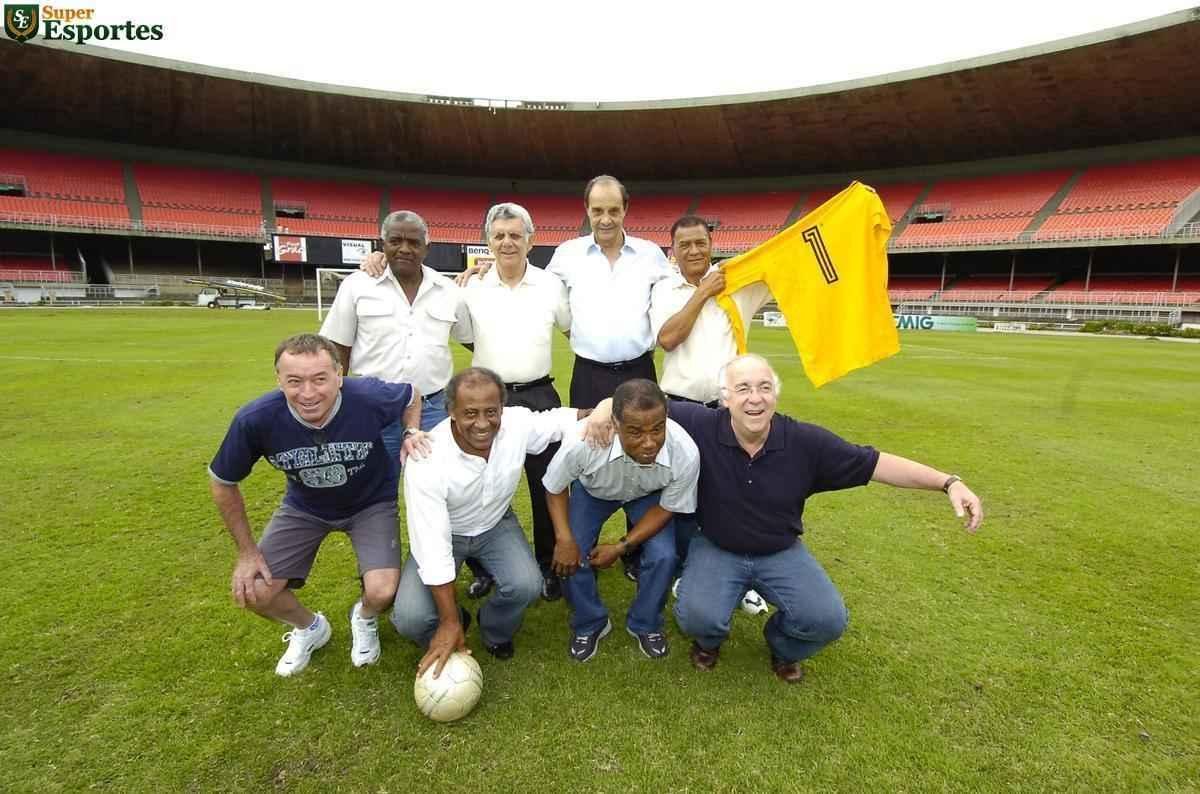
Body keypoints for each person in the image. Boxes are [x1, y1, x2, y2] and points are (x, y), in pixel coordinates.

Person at [670, 354, 984, 683]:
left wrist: (948, 482)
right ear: (725, 397)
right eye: (743, 388)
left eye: (765, 387)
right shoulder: (701, 425)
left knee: (826, 620)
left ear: (775, 395)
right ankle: (709, 642)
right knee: (696, 616)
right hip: (717, 545)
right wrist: (607, 412)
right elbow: (638, 401)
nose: (755, 398)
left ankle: (783, 647)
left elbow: (877, 464)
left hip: (780, 549)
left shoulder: (805, 442)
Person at [208, 333, 421, 676]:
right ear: (278, 380)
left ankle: (364, 617)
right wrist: (247, 553)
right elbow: (223, 482)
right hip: (304, 507)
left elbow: (412, 394)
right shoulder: (256, 419)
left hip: (371, 503)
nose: (308, 393)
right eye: (294, 381)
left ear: (339, 375)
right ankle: (310, 628)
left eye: (320, 379)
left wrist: (411, 431)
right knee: (256, 592)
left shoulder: (367, 396)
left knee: (382, 591)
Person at [392, 367, 613, 677]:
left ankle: (494, 630)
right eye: (470, 413)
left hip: (495, 524)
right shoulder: (427, 459)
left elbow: (564, 420)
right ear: (451, 412)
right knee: (410, 618)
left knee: (527, 585)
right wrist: (449, 619)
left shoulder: (516, 423)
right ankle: (453, 625)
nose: (483, 424)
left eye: (491, 412)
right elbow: (432, 547)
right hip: (446, 533)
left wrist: (605, 408)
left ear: (502, 409)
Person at [651, 215, 773, 610]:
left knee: (734, 493)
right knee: (683, 494)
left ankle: (743, 575)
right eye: (684, 244)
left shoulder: (738, 283)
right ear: (673, 250)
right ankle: (689, 571)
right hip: (680, 410)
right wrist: (702, 292)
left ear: (711, 245)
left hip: (728, 411)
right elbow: (668, 339)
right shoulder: (666, 289)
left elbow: (786, 271)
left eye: (700, 243)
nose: (693, 251)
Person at [543, 379, 700, 662]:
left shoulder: (685, 452)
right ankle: (590, 622)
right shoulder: (583, 442)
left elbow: (667, 508)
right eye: (635, 432)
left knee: (664, 555)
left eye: (657, 428)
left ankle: (646, 622)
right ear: (614, 424)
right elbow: (554, 488)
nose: (649, 442)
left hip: (648, 496)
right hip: (594, 491)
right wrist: (564, 539)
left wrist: (620, 547)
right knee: (572, 550)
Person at [320, 210, 471, 462]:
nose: (404, 249)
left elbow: (472, 339)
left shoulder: (448, 290)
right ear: (383, 244)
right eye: (395, 241)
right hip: (372, 407)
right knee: (376, 487)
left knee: (433, 485)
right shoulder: (357, 286)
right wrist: (335, 406)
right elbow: (338, 348)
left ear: (427, 247)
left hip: (432, 409)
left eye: (413, 242)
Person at [545, 175, 674, 409]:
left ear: (625, 209)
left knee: (643, 443)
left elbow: (678, 289)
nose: (606, 219)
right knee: (590, 443)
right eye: (597, 211)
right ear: (587, 209)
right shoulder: (567, 254)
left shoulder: (651, 254)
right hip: (588, 375)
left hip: (639, 372)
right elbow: (535, 284)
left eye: (614, 211)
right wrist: (484, 270)